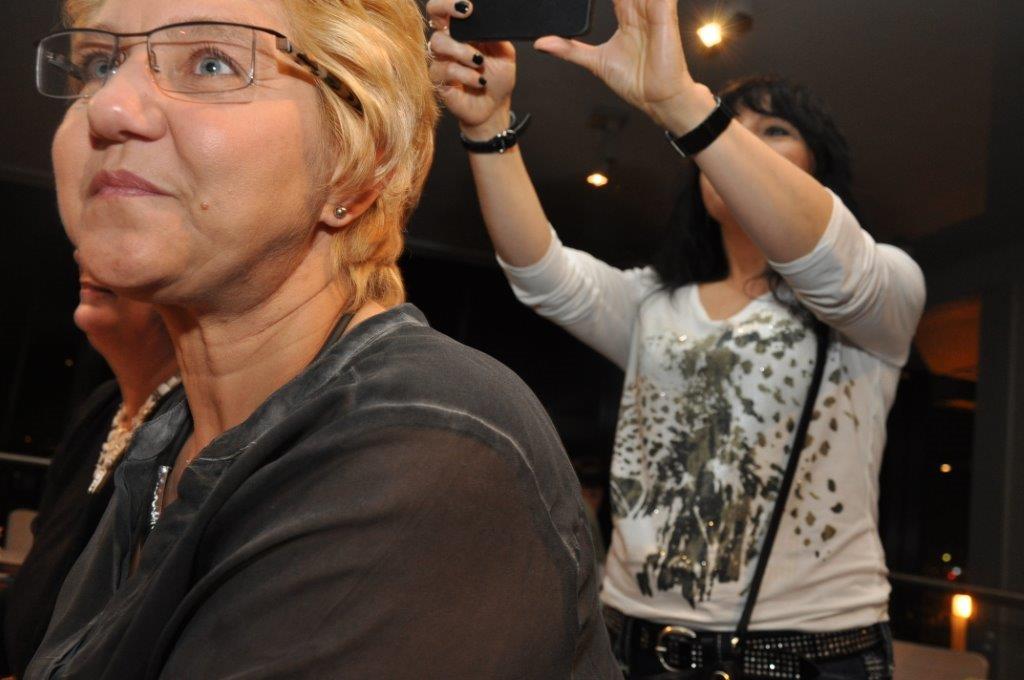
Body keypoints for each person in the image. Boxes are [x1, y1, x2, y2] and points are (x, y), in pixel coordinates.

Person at [25, 0, 620, 678]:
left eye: (212, 63)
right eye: (98, 64)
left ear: (356, 165)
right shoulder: (169, 436)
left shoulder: (424, 443)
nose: (108, 108)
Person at [428, 0, 926, 677]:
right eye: (731, 125)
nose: (741, 139)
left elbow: (836, 268)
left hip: (805, 654)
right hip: (629, 643)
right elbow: (543, 274)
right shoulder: (656, 304)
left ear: (816, 168)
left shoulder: (883, 291)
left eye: (775, 130)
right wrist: (487, 126)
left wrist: (683, 104)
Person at [0, 268, 180, 679]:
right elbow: (37, 588)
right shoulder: (101, 407)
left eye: (127, 242)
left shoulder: (189, 430)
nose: (87, 257)